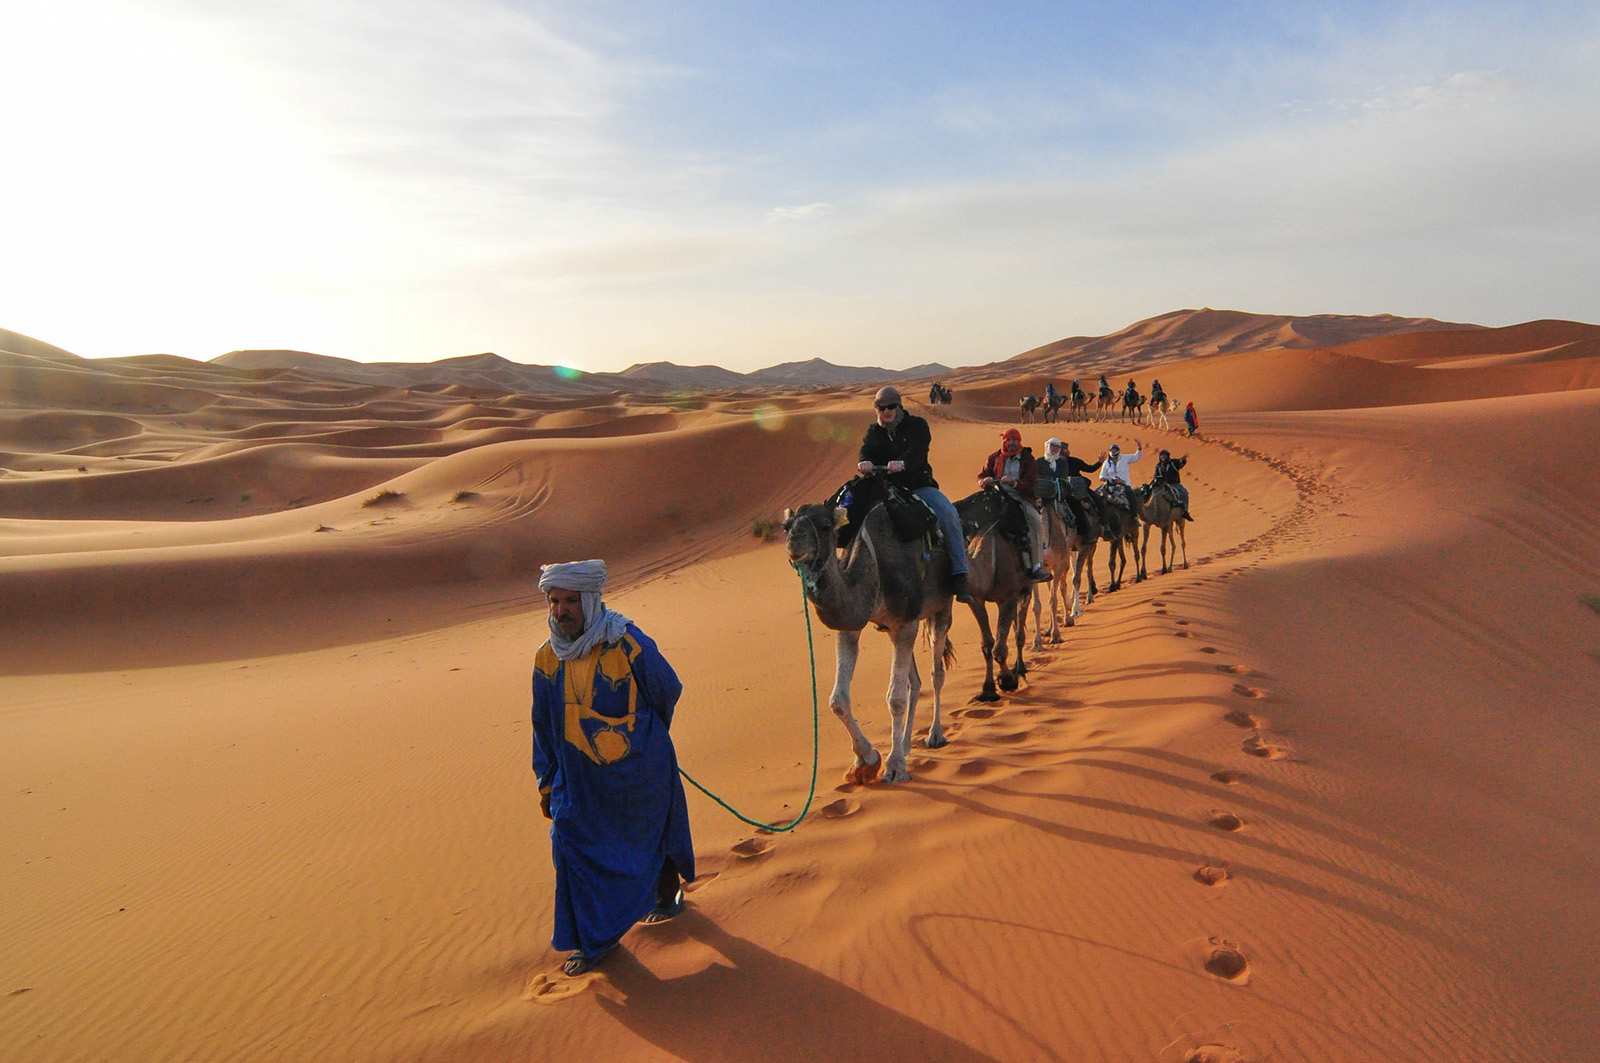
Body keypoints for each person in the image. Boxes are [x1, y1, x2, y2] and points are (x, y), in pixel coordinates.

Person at [532, 560, 695, 977]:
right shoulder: (547, 658)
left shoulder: (626, 643)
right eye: (555, 601)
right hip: (578, 781)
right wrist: (547, 783)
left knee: (650, 837)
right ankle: (594, 941)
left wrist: (642, 739)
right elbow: (543, 724)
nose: (561, 611)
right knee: (569, 844)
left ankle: (666, 898)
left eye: (570, 601)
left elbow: (666, 690)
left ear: (589, 600)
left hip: (638, 772)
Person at [858, 386, 972, 602]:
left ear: (899, 406)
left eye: (891, 406)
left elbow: (918, 451)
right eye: (881, 407)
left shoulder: (917, 425)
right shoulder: (874, 431)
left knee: (948, 514)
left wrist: (903, 463)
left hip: (918, 485)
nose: (886, 411)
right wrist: (864, 461)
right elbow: (867, 449)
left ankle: (960, 574)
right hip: (886, 488)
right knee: (853, 511)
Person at [978, 428, 1051, 582]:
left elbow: (1030, 482)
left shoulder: (1027, 459)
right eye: (1009, 440)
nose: (1012, 443)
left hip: (1020, 496)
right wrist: (984, 481)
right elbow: (982, 475)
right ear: (1004, 442)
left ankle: (1037, 566)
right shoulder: (995, 457)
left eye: (1015, 440)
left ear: (1020, 441)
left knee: (1035, 522)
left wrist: (1014, 483)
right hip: (997, 495)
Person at [1036, 438, 1105, 529]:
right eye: (1052, 446)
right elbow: (1035, 476)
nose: (1055, 449)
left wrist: (1099, 463)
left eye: (1057, 447)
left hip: (1062, 492)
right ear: (1047, 446)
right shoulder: (1039, 462)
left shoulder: (1064, 463)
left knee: (1078, 506)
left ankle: (1087, 530)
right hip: (1041, 492)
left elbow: (1064, 477)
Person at [1150, 449, 1195, 521]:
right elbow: (1156, 475)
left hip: (1174, 484)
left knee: (1184, 493)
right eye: (1162, 456)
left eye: (1164, 455)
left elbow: (1179, 463)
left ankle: (1185, 511)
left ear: (1167, 456)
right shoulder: (1158, 466)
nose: (1163, 457)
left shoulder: (1173, 463)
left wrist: (1183, 460)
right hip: (1163, 485)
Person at [1098, 439, 1143, 510]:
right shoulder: (1107, 463)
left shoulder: (1125, 458)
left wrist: (1139, 448)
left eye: (1115, 450)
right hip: (1110, 485)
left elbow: (1136, 457)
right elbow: (1102, 474)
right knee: (1098, 495)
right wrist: (1103, 478)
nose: (1113, 451)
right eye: (1112, 450)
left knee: (1131, 497)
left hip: (1124, 484)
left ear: (1118, 451)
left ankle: (1134, 514)